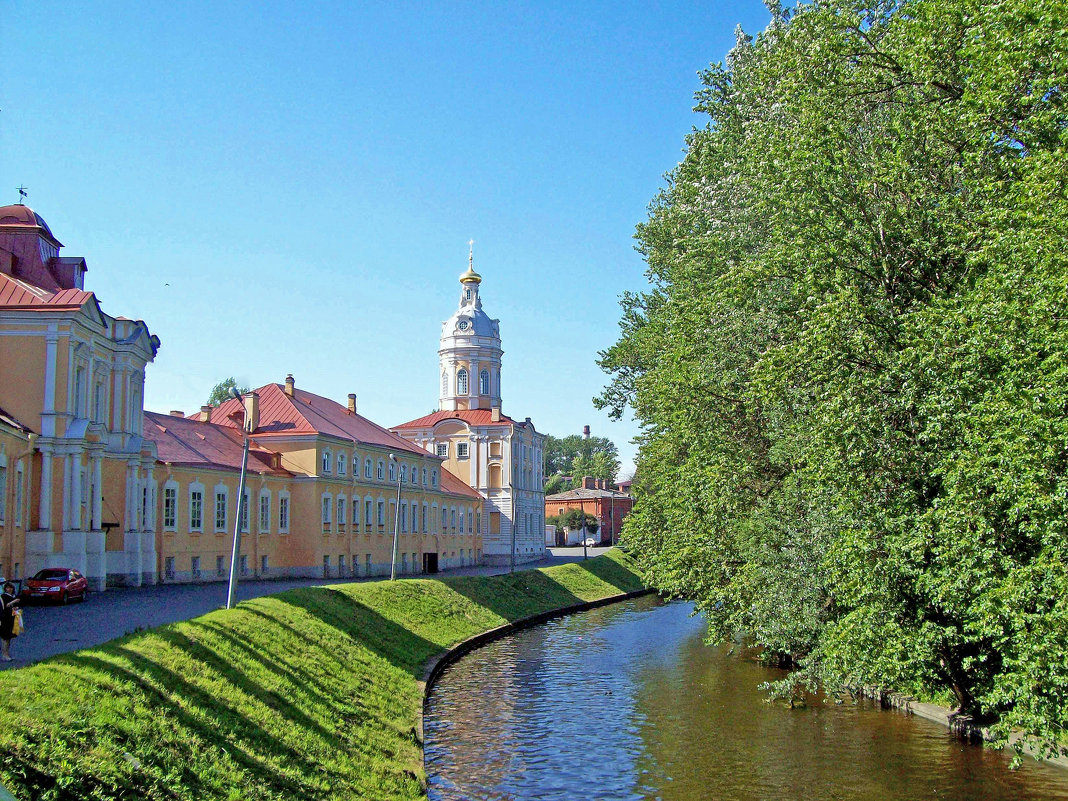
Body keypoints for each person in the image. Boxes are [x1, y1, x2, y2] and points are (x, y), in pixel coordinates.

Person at [1, 581, 20, 661]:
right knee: (5, 638)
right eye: (7, 588)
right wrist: (14, 601)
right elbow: (7, 605)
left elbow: (15, 607)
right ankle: (4, 655)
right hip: (5, 619)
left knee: (9, 638)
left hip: (12, 619)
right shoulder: (3, 596)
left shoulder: (13, 596)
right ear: (5, 589)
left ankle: (7, 654)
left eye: (11, 588)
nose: (9, 589)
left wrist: (16, 608)